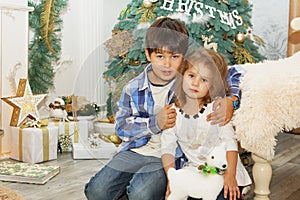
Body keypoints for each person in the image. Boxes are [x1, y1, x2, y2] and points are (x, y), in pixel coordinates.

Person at [85, 17, 244, 200]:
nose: (167, 64)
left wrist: (231, 100)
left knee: (141, 194)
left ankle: (138, 188)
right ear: (148, 54)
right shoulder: (133, 87)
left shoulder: (187, 80)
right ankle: (125, 187)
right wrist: (155, 123)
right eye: (160, 56)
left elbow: (234, 72)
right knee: (96, 192)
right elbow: (122, 128)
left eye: (174, 57)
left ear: (183, 56)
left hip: (167, 155)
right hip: (135, 150)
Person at [161, 49, 251, 200]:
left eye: (204, 80)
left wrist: (230, 175)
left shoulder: (217, 110)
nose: (195, 83)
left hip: (225, 170)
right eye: (191, 76)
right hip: (195, 171)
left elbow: (230, 145)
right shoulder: (173, 113)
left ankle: (239, 190)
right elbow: (167, 148)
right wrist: (172, 179)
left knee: (223, 196)